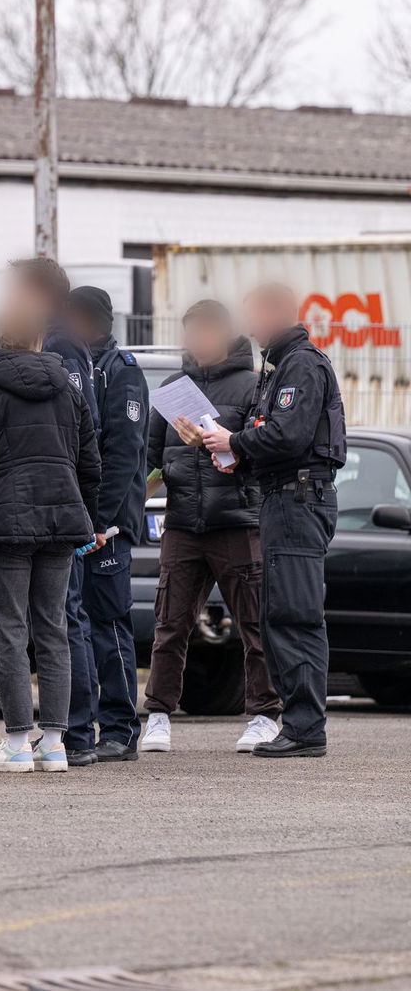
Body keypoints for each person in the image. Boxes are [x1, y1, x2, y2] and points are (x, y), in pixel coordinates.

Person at [0, 287, 102, 773]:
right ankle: (54, 743)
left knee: (10, 633)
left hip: (6, 522)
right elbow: (90, 462)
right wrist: (86, 518)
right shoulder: (68, 387)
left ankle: (16, 743)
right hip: (60, 521)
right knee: (53, 629)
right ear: (39, 337)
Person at [200, 283, 346, 758]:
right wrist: (231, 449)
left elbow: (287, 434)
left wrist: (235, 443)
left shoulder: (300, 364)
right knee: (279, 613)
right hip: (284, 498)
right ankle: (299, 724)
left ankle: (305, 728)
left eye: (256, 317)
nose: (252, 329)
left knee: (295, 616)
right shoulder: (282, 365)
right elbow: (274, 435)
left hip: (297, 500)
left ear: (279, 313)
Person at [143, 301, 281, 753]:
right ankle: (159, 715)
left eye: (205, 333)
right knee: (171, 622)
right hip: (183, 523)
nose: (198, 344)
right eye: (191, 335)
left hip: (237, 522)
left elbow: (264, 455)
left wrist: (215, 444)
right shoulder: (169, 388)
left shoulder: (252, 386)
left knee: (253, 623)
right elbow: (150, 462)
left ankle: (264, 715)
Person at [11, 258, 103, 767]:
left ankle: (73, 734)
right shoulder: (59, 338)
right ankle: (70, 734)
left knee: (60, 620)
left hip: (55, 502)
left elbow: (77, 428)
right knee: (60, 618)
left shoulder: (60, 342)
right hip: (60, 499)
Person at [66, 286, 150, 762]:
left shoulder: (121, 373)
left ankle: (119, 728)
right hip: (79, 523)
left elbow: (123, 454)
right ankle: (83, 722)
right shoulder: (76, 364)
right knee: (79, 624)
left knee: (109, 623)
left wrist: (100, 522)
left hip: (107, 528)